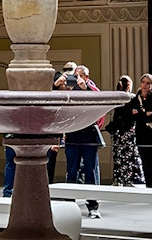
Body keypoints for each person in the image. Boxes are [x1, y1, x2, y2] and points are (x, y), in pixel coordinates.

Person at [59, 68, 102, 218]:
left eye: (80, 76)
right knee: (71, 171)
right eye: (75, 75)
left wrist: (85, 87)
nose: (77, 78)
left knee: (91, 171)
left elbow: (99, 98)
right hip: (73, 135)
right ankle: (69, 205)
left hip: (88, 137)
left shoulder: (91, 87)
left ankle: (93, 206)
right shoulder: (70, 89)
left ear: (86, 76)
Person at [105, 75, 143, 186]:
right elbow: (135, 113)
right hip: (128, 131)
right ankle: (128, 179)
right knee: (128, 157)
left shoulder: (117, 97)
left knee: (117, 156)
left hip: (117, 132)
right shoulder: (132, 98)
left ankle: (117, 179)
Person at [133, 73, 152, 188]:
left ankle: (151, 186)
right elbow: (134, 116)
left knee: (149, 159)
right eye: (143, 82)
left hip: (151, 133)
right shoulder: (136, 99)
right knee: (143, 159)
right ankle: (146, 183)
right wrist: (145, 114)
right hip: (140, 132)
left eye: (148, 83)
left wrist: (141, 114)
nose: (145, 85)